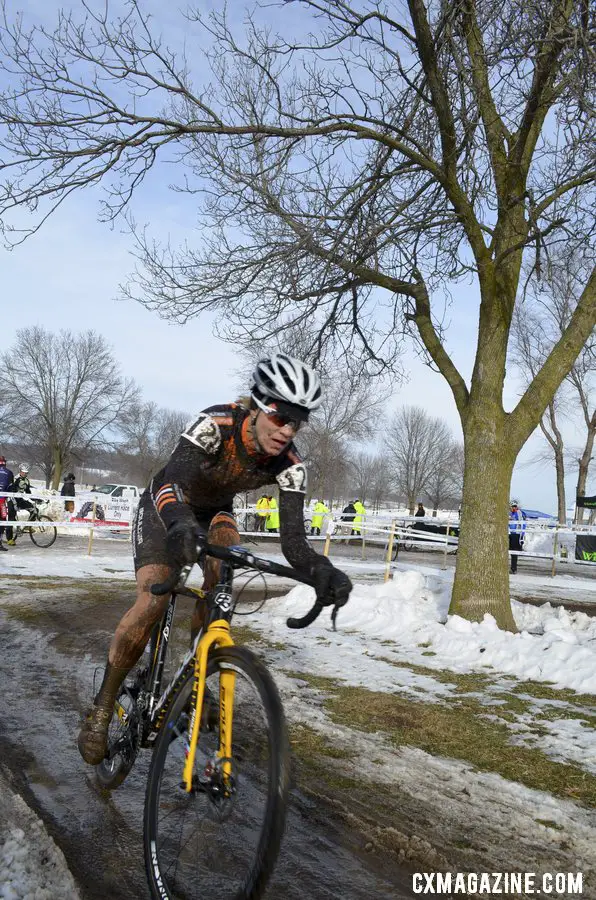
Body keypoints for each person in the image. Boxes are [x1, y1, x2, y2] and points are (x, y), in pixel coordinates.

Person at [78, 354, 352, 765]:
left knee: (221, 582)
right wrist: (179, 524)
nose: (288, 430)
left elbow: (294, 542)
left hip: (217, 512)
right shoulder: (215, 425)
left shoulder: (291, 465)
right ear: (258, 405)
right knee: (153, 599)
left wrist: (321, 570)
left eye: (299, 421)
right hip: (166, 506)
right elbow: (171, 481)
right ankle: (102, 707)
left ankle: (199, 674)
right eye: (281, 417)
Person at [6, 464, 34, 543]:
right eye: (23, 472)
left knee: (35, 510)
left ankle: (28, 526)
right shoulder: (15, 479)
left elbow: (28, 492)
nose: (25, 474)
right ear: (20, 471)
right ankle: (10, 539)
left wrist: (36, 498)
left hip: (20, 500)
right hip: (12, 500)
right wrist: (14, 501)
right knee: (11, 518)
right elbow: (11, 491)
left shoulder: (26, 480)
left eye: (26, 472)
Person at [508, 499, 526, 574]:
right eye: (512, 507)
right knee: (511, 551)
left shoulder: (519, 513)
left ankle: (513, 568)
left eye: (514, 507)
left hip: (516, 534)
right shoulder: (511, 513)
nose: (512, 508)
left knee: (514, 552)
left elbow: (522, 524)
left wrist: (521, 535)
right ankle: (512, 568)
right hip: (511, 534)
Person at [0, 456, 14, 550]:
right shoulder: (9, 473)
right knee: (2, 520)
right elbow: (10, 487)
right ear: (5, 462)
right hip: (1, 501)